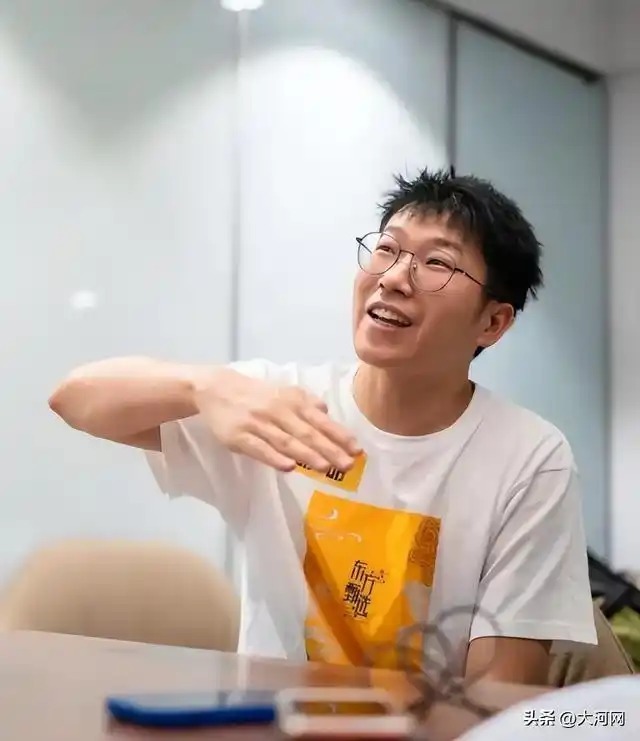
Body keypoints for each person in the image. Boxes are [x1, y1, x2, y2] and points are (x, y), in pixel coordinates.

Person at [49, 167, 596, 685]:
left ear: (493, 322)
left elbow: (499, 691)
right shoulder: (280, 405)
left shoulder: (528, 457)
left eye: (437, 263)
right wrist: (202, 387)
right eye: (387, 249)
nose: (394, 278)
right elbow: (75, 398)